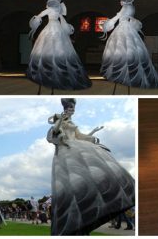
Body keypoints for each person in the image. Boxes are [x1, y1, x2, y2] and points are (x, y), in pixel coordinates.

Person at [47, 99, 135, 235]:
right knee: (73, 181)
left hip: (76, 146)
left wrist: (93, 132)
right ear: (66, 109)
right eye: (71, 109)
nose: (72, 111)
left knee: (95, 171)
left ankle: (91, 212)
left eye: (73, 109)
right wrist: (60, 120)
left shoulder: (71, 123)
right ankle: (74, 221)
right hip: (67, 151)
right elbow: (54, 133)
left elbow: (80, 136)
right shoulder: (60, 120)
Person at [27, 0, 91, 93]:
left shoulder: (50, 10)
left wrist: (36, 21)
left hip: (52, 27)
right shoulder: (58, 11)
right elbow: (61, 15)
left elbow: (40, 15)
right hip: (56, 26)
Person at [100, 0, 158, 91]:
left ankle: (128, 75)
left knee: (127, 50)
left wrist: (109, 23)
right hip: (122, 28)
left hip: (125, 29)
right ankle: (121, 74)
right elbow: (119, 16)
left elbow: (120, 16)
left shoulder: (128, 6)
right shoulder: (126, 6)